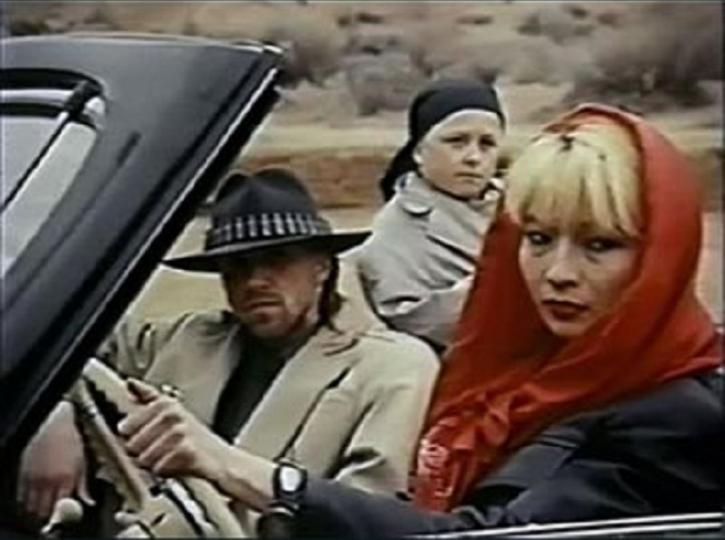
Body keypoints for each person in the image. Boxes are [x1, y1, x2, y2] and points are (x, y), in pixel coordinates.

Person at [127, 104, 722, 538]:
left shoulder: (677, 417)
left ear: (660, 258)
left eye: (600, 245)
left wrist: (244, 471)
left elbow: (485, 538)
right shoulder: (522, 376)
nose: (557, 273)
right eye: (538, 238)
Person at [16, 168, 439, 531]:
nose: (255, 281)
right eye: (237, 267)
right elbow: (57, 339)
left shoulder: (391, 365)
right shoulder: (184, 339)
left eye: (277, 260)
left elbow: (363, 515)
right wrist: (54, 416)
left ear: (322, 268)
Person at [356, 79, 507, 352]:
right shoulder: (397, 231)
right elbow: (409, 318)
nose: (473, 157)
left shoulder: (525, 206)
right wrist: (494, 288)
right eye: (457, 142)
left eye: (487, 144)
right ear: (418, 152)